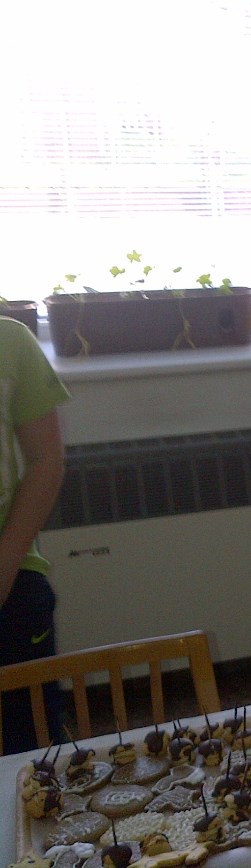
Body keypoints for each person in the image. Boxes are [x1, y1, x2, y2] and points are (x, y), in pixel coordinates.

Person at [0, 316, 70, 754]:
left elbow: (46, 460)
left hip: (11, 574)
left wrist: (5, 566)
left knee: (33, 750)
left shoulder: (10, 340)